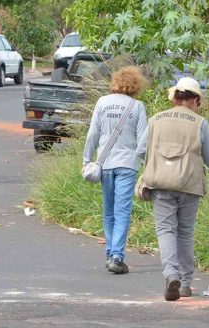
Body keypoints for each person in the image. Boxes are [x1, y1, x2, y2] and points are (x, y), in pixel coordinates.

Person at [141, 77, 209, 301]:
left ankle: (170, 274)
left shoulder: (155, 120)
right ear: (195, 99)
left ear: (175, 97)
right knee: (185, 232)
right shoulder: (199, 123)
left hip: (161, 184)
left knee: (166, 230)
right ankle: (185, 283)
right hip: (189, 185)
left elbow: (140, 151)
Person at [83, 66, 148, 275]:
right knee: (122, 212)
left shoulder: (102, 103)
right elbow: (143, 141)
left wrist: (86, 159)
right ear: (136, 86)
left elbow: (93, 134)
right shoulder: (137, 106)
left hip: (105, 164)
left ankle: (111, 252)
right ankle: (117, 256)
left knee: (109, 211)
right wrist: (144, 163)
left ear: (115, 83)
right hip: (127, 164)